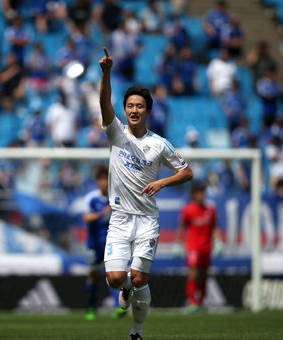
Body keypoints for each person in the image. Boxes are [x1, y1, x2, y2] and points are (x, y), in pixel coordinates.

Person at [99, 47, 193, 340]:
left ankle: (137, 332)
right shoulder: (116, 133)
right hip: (120, 218)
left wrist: (162, 182)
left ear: (148, 111)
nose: (134, 110)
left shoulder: (160, 144)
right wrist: (106, 73)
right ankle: (125, 288)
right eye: (130, 106)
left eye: (140, 106)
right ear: (124, 109)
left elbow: (187, 172)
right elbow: (104, 103)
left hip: (147, 219)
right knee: (116, 280)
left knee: (140, 278)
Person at [83, 166, 127, 321]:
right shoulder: (91, 198)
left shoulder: (116, 197)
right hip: (94, 244)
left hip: (111, 243)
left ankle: (119, 307)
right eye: (101, 179)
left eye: (106, 179)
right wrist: (102, 214)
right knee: (94, 276)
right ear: (97, 181)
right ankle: (91, 308)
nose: (104, 182)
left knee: (114, 275)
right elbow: (86, 218)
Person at [173, 182, 223, 313]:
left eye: (203, 192)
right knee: (193, 273)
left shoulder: (210, 210)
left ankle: (201, 301)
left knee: (204, 275)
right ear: (194, 194)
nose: (201, 195)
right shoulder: (188, 210)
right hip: (193, 247)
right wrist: (178, 243)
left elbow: (215, 227)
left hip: (207, 247)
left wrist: (218, 242)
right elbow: (182, 228)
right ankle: (192, 301)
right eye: (199, 192)